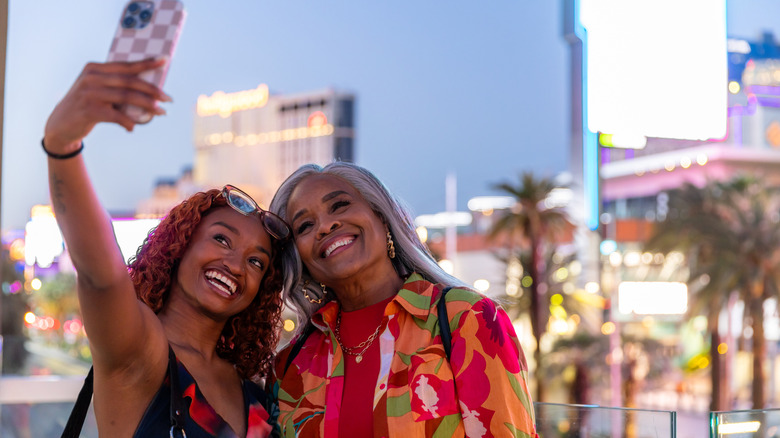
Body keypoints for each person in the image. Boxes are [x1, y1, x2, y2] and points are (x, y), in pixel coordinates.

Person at [43, 59, 288, 437]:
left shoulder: (255, 386)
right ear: (181, 245)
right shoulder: (140, 352)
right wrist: (62, 146)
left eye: (257, 262)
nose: (236, 264)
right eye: (221, 239)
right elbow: (102, 275)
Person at [267, 162, 538, 437]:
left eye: (339, 205)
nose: (325, 225)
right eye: (305, 225)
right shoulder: (291, 365)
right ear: (299, 258)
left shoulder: (468, 319)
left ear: (382, 217)